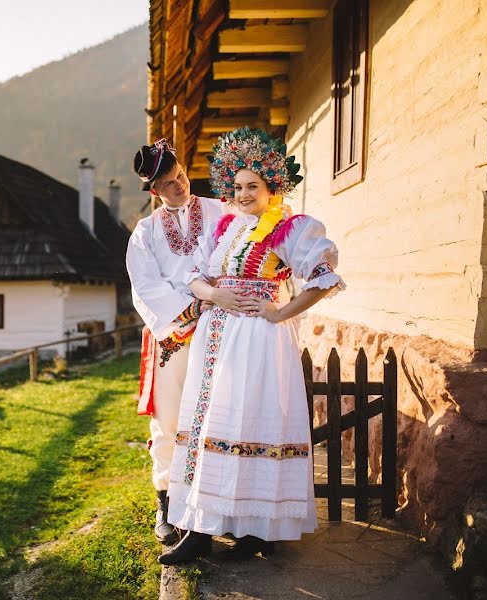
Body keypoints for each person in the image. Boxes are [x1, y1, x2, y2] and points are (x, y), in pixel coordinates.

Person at [160, 127, 346, 564]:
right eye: (238, 186)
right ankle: (202, 527)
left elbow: (323, 276)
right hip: (216, 337)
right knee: (209, 428)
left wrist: (281, 312)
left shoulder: (287, 227)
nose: (244, 194)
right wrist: (213, 295)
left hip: (256, 340)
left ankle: (254, 530)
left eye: (253, 186)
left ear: (271, 186)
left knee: (246, 427)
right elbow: (195, 275)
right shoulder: (227, 227)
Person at [126, 139, 247, 548]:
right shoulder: (145, 232)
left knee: (221, 413)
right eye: (168, 183)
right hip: (174, 335)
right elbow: (144, 286)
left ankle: (220, 507)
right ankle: (167, 503)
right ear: (153, 191)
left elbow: (242, 255)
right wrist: (188, 311)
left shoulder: (220, 210)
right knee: (170, 420)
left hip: (222, 328)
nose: (178, 186)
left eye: (179, 176)